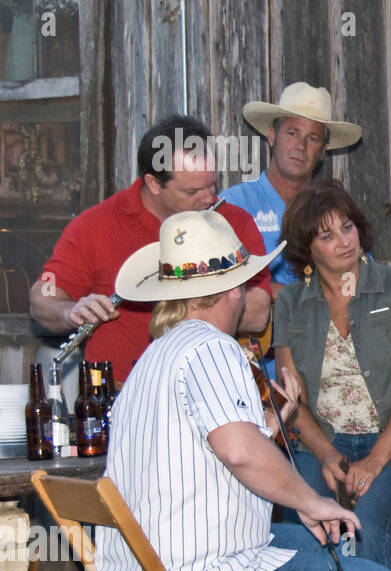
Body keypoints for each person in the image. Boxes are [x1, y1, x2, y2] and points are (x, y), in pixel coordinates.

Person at [98, 209, 391, 571]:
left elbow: (218, 449)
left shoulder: (156, 356)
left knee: (324, 549)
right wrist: (310, 501)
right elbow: (240, 452)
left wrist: (277, 425)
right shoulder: (213, 348)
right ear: (234, 291)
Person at [31, 115, 272, 381]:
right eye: (191, 192)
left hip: (213, 384)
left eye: (212, 185)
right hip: (119, 391)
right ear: (154, 184)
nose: (208, 199)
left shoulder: (234, 221)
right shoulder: (93, 225)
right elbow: (44, 293)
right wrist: (70, 310)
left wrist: (174, 299)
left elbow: (259, 313)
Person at [273, 180, 391, 571]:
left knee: (365, 528)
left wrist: (375, 461)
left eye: (348, 227)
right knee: (304, 527)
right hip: (322, 441)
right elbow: (292, 401)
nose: (345, 241)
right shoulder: (292, 303)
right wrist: (328, 456)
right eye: (327, 235)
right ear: (306, 248)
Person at [224, 82, 363, 295]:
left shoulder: (335, 210)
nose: (301, 145)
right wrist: (295, 296)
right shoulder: (234, 204)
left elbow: (362, 277)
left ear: (323, 150)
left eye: (313, 138)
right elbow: (215, 284)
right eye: (292, 133)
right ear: (272, 135)